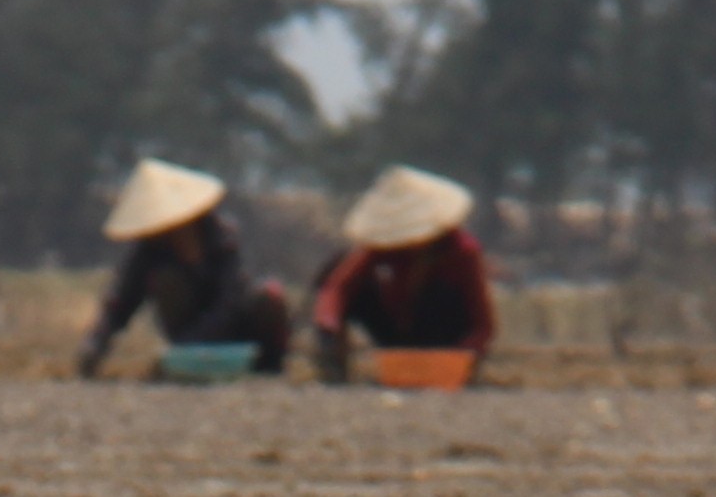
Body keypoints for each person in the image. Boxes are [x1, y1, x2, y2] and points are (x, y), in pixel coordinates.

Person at [73, 160, 292, 377]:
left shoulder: (222, 240)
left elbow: (230, 300)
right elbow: (120, 302)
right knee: (167, 281)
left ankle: (268, 370)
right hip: (186, 337)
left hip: (236, 332)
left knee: (269, 297)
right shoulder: (151, 251)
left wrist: (195, 340)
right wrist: (96, 343)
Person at [305, 167, 496, 383]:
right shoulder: (385, 246)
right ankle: (335, 371)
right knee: (342, 271)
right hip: (397, 331)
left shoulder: (462, 252)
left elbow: (483, 325)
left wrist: (464, 357)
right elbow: (338, 287)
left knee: (439, 293)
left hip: (441, 340)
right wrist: (329, 325)